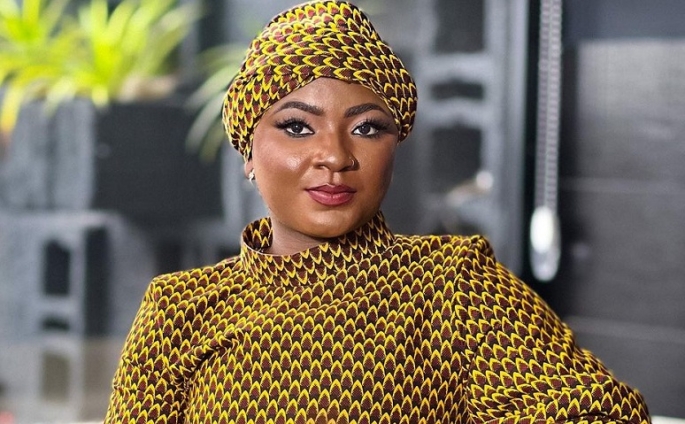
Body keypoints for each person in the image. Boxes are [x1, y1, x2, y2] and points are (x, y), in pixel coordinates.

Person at [105, 1, 650, 422]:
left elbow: (600, 415)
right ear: (249, 152)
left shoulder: (453, 283)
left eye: (367, 128)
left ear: (395, 147)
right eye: (297, 126)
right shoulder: (179, 310)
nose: (336, 156)